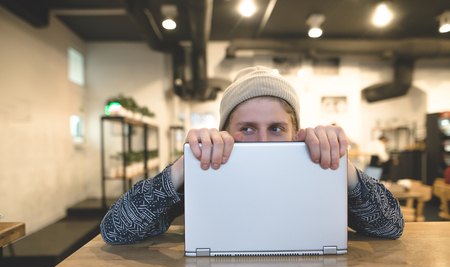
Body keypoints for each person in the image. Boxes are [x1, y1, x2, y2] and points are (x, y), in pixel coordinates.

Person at [100, 66, 404, 245]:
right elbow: (115, 230)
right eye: (246, 128)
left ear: (295, 133)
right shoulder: (210, 170)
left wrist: (342, 166)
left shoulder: (315, 169)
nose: (262, 140)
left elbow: (391, 226)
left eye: (275, 128)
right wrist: (184, 166)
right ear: (225, 133)